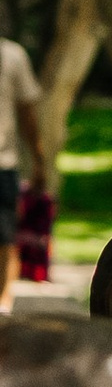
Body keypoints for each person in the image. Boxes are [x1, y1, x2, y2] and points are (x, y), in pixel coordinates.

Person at [0, 32, 46, 320]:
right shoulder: (12, 54)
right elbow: (28, 113)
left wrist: (39, 160)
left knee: (5, 237)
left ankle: (3, 308)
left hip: (3, 164)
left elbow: (28, 113)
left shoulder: (12, 55)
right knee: (4, 239)